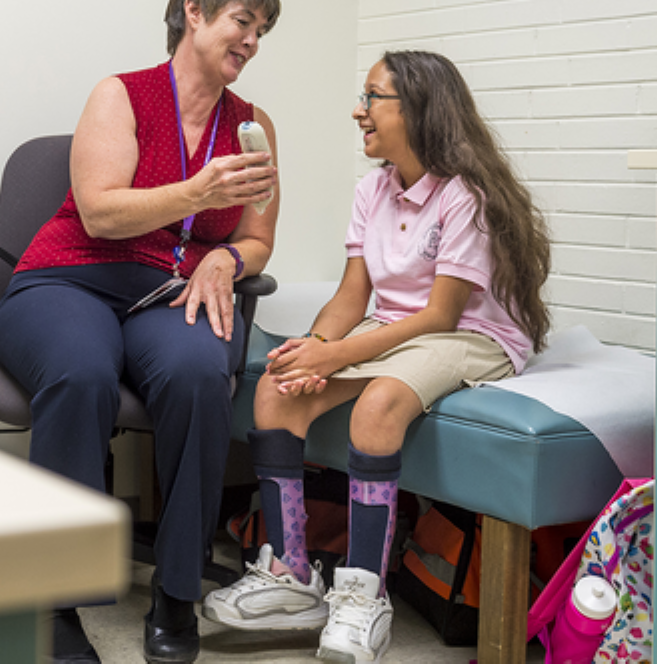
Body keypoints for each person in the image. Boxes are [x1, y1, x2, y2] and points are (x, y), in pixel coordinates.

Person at [201, 50, 552, 663]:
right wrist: (314, 348)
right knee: (274, 390)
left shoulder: (464, 196)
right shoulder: (373, 189)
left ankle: (365, 596)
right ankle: (292, 576)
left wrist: (338, 356)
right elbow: (352, 296)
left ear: (416, 109)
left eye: (371, 98)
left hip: (470, 333)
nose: (357, 111)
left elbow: (441, 317)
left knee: (380, 404)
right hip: (396, 327)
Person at [0, 0, 281, 664]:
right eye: (243, 21)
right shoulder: (121, 95)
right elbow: (99, 212)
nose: (251, 40)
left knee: (197, 376)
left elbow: (258, 236)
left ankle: (177, 595)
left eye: (262, 31)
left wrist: (226, 257)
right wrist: (196, 194)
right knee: (82, 373)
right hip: (70, 279)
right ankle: (53, 606)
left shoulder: (253, 124)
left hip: (167, 292)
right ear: (195, 12)